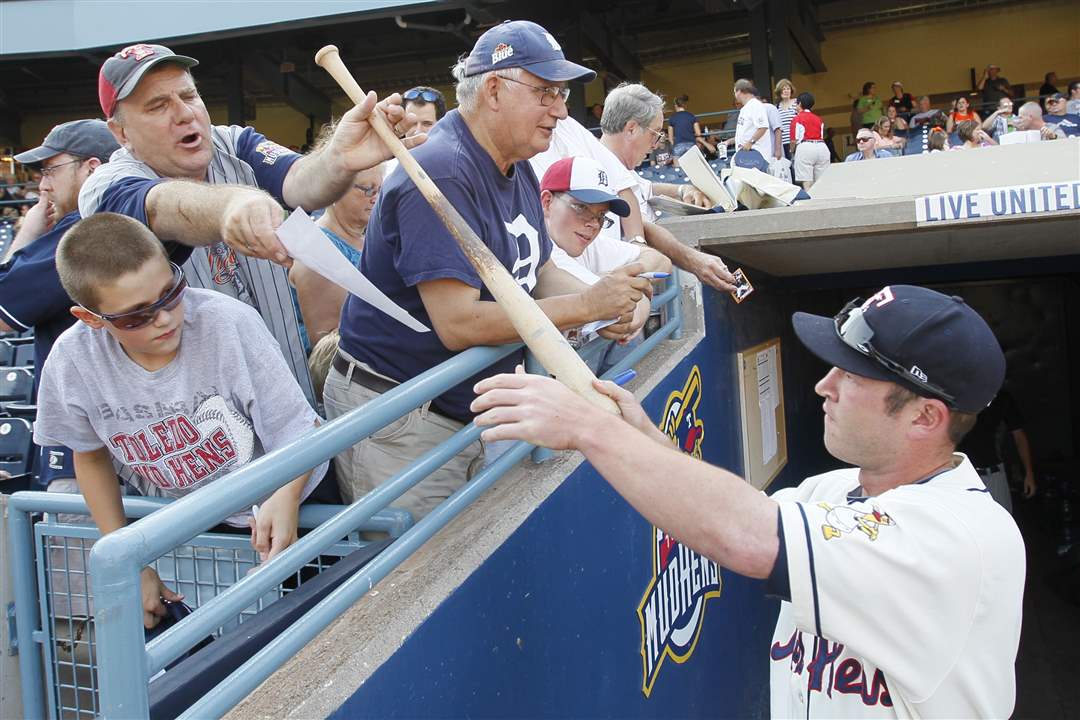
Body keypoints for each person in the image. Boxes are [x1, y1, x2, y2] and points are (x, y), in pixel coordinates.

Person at [472, 284, 1024, 718]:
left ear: (925, 416)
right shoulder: (834, 489)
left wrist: (590, 429)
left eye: (851, 375)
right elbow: (737, 514)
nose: (823, 386)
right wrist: (644, 438)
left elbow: (752, 538)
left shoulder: (961, 537)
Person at [326, 20, 652, 519]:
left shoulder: (515, 161)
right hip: (400, 415)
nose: (562, 110)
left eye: (561, 93)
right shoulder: (442, 170)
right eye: (546, 92)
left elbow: (538, 269)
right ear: (495, 89)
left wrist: (599, 306)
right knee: (422, 580)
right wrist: (583, 306)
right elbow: (458, 324)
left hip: (466, 409)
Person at [78, 43, 420, 406]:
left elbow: (300, 181)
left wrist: (339, 158)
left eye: (189, 95)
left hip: (289, 396)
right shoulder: (107, 184)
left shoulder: (232, 142)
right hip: (206, 428)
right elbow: (160, 206)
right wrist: (231, 205)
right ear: (121, 133)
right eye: (158, 106)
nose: (184, 114)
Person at [34, 213, 327, 628]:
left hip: (299, 493)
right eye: (136, 316)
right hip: (201, 522)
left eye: (170, 293)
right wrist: (129, 559)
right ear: (91, 318)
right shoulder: (72, 361)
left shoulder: (226, 322)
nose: (166, 318)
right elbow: (89, 455)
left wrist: (287, 495)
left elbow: (301, 429)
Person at [0, 120, 120, 490]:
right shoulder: (127, 222)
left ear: (92, 168)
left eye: (52, 169)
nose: (43, 184)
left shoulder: (81, 233)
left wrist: (28, 231)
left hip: (86, 455)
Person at [529, 83, 737, 292]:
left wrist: (683, 190)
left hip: (615, 293)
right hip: (582, 291)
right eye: (655, 134)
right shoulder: (584, 170)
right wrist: (690, 259)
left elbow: (644, 187)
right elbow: (646, 228)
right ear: (631, 129)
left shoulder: (620, 170)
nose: (656, 144)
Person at [538, 156, 669, 372]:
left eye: (601, 216)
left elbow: (660, 260)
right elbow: (621, 313)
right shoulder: (542, 245)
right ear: (547, 202)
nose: (592, 224)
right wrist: (639, 293)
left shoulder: (587, 242)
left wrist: (614, 279)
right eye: (580, 207)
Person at [289, 122, 385, 353]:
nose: (376, 198)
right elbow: (330, 351)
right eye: (367, 189)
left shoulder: (366, 239)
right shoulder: (318, 252)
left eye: (380, 189)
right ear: (332, 190)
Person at [957, 389, 1034, 514]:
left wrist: (1029, 473)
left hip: (994, 472)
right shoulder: (959, 391)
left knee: (1002, 522)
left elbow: (1019, 435)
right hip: (962, 473)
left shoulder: (1002, 397)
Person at [788, 92, 829, 189]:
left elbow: (793, 140)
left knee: (807, 181)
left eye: (796, 104)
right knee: (821, 181)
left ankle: (810, 203)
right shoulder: (819, 119)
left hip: (805, 147)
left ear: (800, 104)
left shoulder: (797, 119)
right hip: (822, 147)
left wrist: (792, 151)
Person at [733, 79, 772, 162]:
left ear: (739, 91)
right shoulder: (745, 108)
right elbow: (746, 132)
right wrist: (728, 142)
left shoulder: (755, 105)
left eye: (735, 92)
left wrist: (750, 143)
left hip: (756, 156)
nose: (735, 95)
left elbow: (763, 127)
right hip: (747, 156)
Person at [774, 79, 798, 160]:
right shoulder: (777, 107)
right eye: (783, 89)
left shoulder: (796, 103)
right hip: (783, 143)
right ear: (779, 92)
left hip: (796, 142)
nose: (786, 91)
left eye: (788, 89)